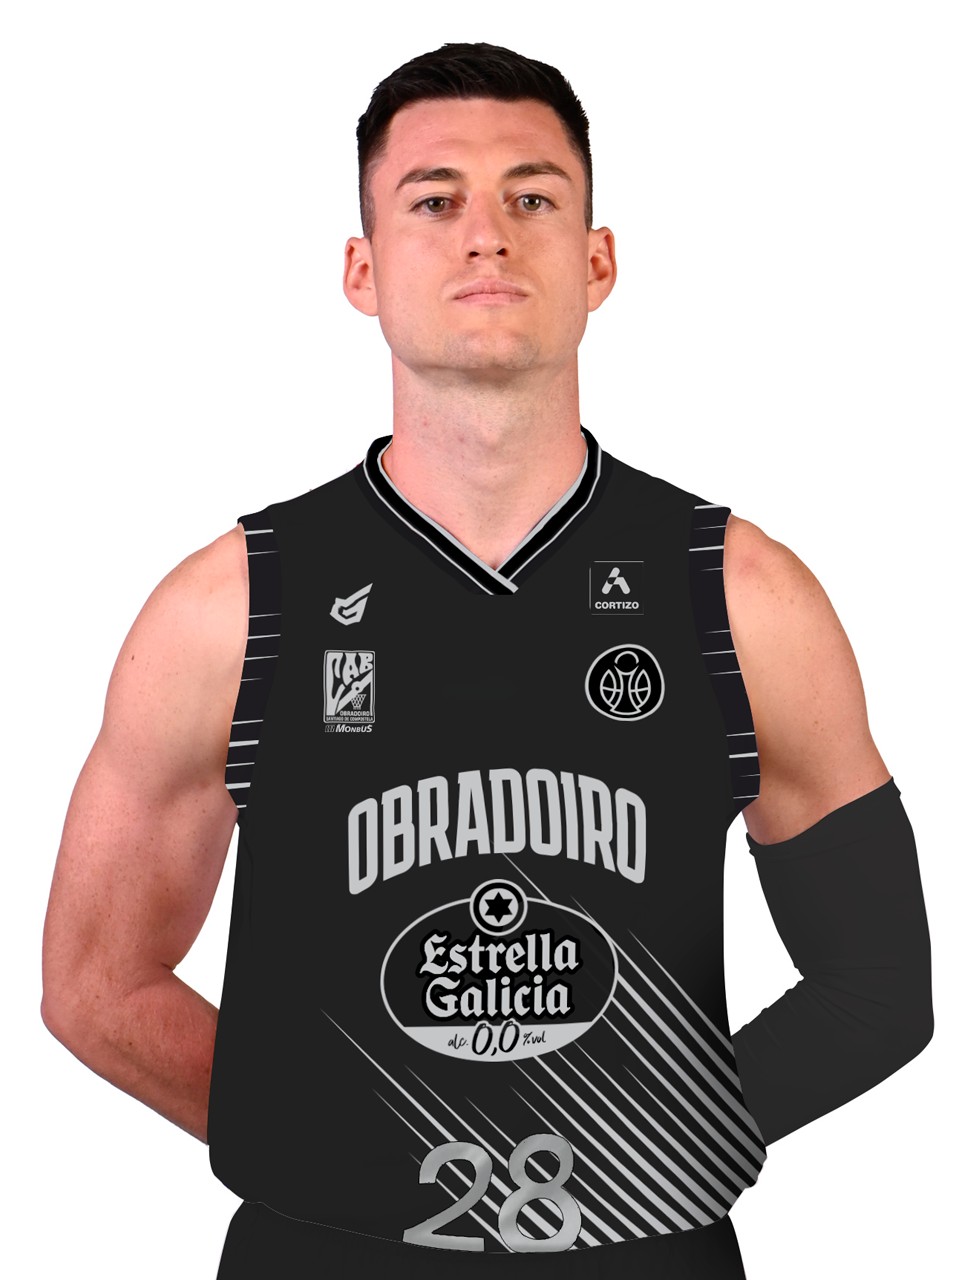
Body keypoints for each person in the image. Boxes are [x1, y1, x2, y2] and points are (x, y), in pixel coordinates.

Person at [41, 42, 933, 1279]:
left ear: (597, 260)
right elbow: (94, 979)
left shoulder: (738, 594)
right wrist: (315, 1142)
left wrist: (652, 1148)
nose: (486, 234)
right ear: (362, 269)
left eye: (532, 197)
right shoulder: (233, 607)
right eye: (433, 200)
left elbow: (879, 982)